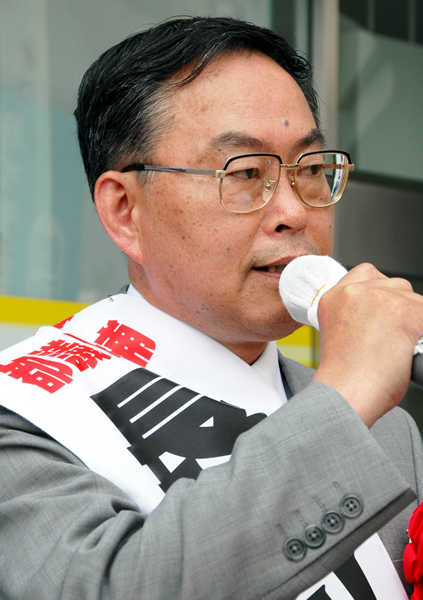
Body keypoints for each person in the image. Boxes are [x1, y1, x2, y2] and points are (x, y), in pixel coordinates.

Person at [1, 16, 423, 600]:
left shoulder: (387, 423)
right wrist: (349, 394)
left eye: (310, 170)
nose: (294, 212)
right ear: (125, 211)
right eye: (245, 173)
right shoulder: (24, 413)